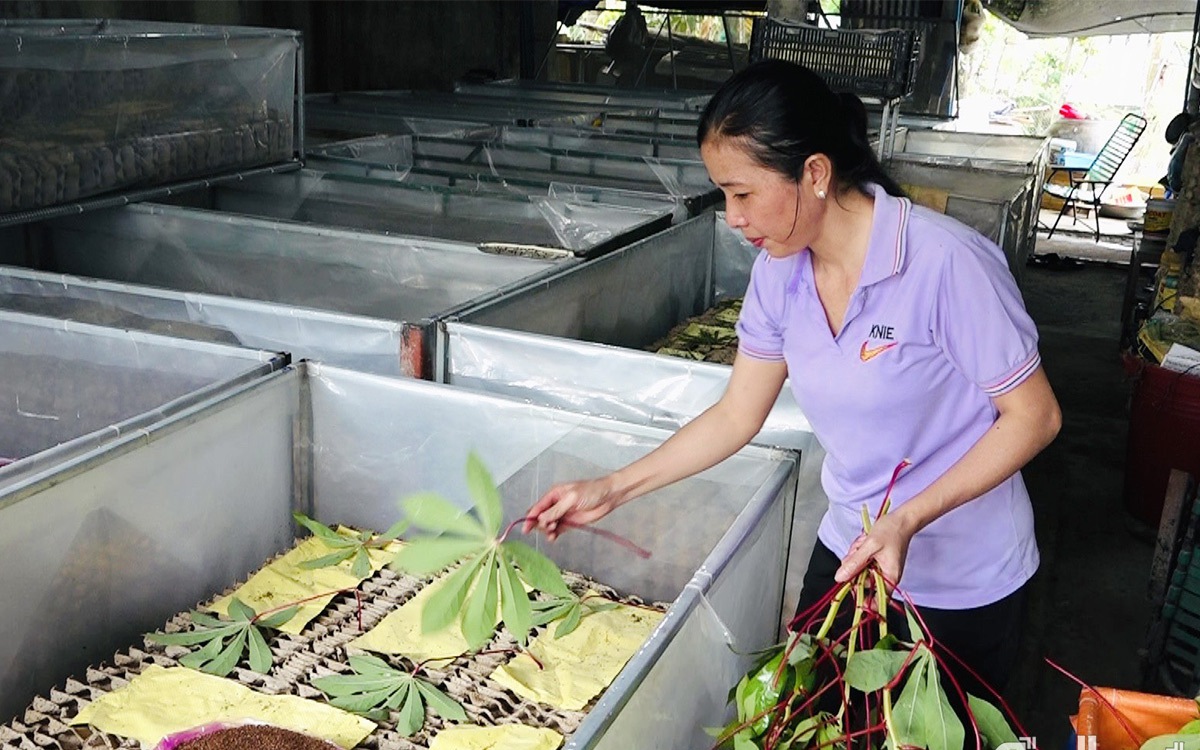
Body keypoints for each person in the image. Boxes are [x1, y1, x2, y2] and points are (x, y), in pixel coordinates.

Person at [523, 60, 1061, 700]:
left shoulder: (944, 264)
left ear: (814, 173)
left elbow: (1035, 418)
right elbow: (735, 415)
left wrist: (908, 519)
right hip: (849, 551)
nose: (731, 215)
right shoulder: (780, 272)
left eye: (742, 193)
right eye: (724, 194)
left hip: (963, 581)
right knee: (816, 720)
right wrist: (612, 488)